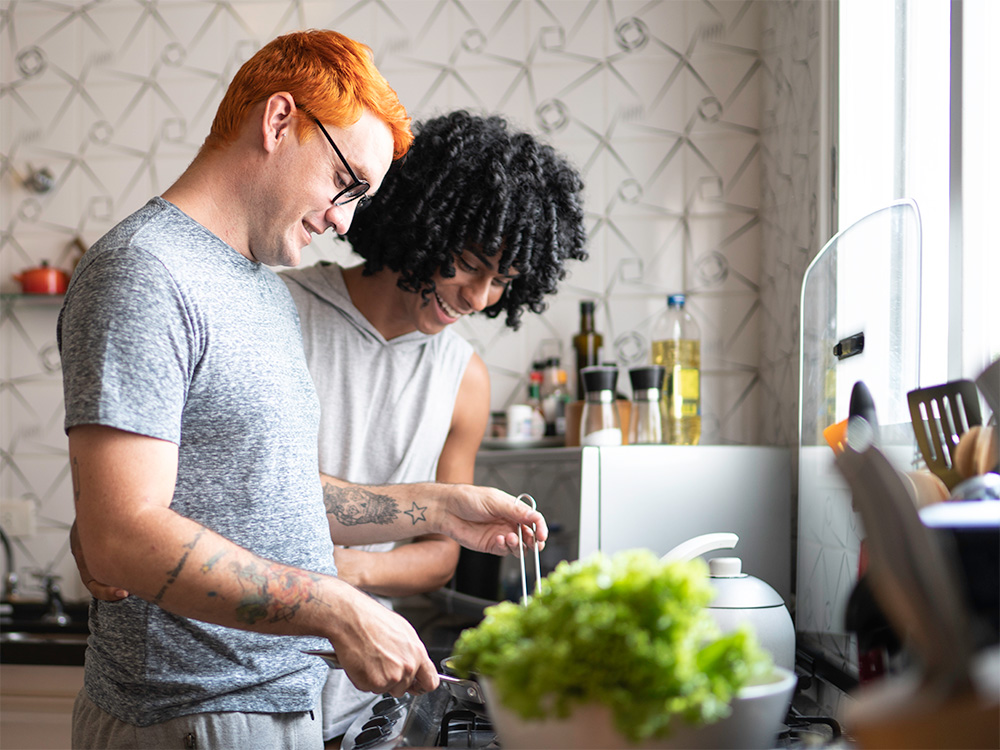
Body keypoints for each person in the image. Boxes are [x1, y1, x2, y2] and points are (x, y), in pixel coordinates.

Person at [58, 30, 545, 750]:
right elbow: (121, 532)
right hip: (193, 714)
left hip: (275, 707)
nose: (345, 220)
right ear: (279, 121)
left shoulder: (256, 289)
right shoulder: (144, 273)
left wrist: (440, 507)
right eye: (345, 184)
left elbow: (263, 488)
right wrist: (338, 608)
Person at [281, 109, 588, 739]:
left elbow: (442, 553)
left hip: (359, 690)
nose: (478, 298)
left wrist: (353, 572)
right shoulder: (282, 311)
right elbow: (243, 484)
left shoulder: (464, 378)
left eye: (502, 280)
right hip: (253, 673)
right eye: (470, 264)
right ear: (420, 228)